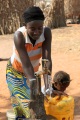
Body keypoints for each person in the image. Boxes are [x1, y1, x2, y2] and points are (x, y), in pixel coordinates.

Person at [6, 6, 52, 119]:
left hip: (33, 72)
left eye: (40, 28)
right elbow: (26, 64)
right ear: (25, 25)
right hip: (15, 72)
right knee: (25, 106)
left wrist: (48, 85)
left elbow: (47, 60)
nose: (37, 32)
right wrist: (32, 83)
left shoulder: (46, 32)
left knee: (38, 104)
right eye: (32, 28)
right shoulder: (19, 36)